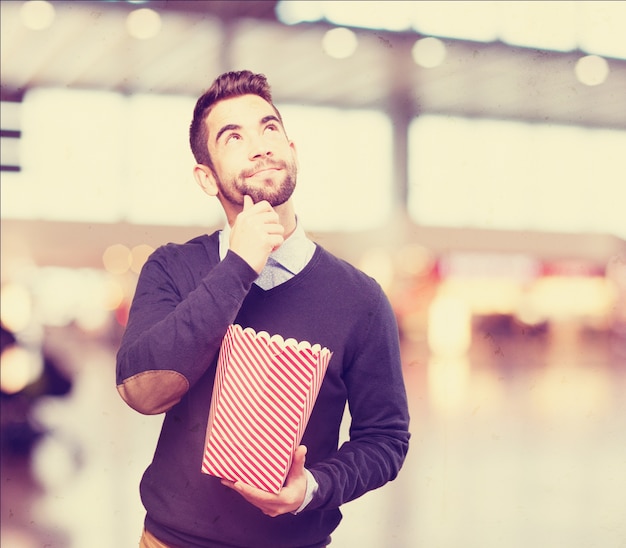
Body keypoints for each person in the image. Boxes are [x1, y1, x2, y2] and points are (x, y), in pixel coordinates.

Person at [116, 70, 410, 548]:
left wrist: (311, 489)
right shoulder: (172, 268)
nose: (260, 146)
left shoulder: (361, 298)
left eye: (269, 128)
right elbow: (142, 393)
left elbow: (386, 439)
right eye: (233, 137)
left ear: (292, 149)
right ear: (206, 177)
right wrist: (239, 266)